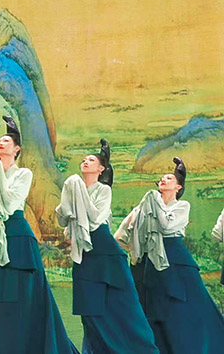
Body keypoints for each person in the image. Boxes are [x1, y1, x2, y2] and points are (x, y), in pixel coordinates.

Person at [0, 115, 77, 354]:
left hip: (17, 238)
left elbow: (9, 203)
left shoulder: (22, 174)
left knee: (24, 301)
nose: (1, 143)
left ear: (17, 149)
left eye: (6, 140)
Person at [56, 140, 157, 353]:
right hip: (84, 256)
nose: (85, 161)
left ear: (101, 169)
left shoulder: (103, 190)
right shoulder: (73, 187)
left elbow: (94, 218)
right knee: (90, 311)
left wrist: (77, 192)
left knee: (122, 306)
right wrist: (70, 192)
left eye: (91, 160)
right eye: (84, 159)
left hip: (104, 251)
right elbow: (62, 219)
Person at [115, 157, 224, 353]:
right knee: (156, 313)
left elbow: (166, 226)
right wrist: (137, 250)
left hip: (176, 261)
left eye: (169, 178)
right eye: (162, 178)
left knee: (189, 310)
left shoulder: (181, 206)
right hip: (151, 264)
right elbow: (121, 235)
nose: (163, 180)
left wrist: (155, 202)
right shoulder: (144, 206)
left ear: (178, 187)